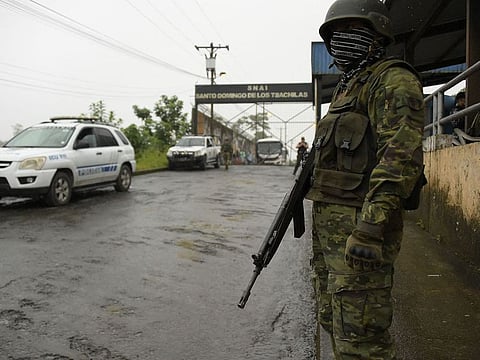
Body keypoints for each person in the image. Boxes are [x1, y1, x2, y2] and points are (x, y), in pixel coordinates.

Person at [305, 1, 425, 359]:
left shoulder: (392, 81)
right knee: (333, 321)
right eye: (334, 36)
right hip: (331, 240)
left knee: (362, 341)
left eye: (349, 32)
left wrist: (370, 229)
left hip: (361, 235)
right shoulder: (347, 88)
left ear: (376, 34)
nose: (339, 42)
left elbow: (399, 160)